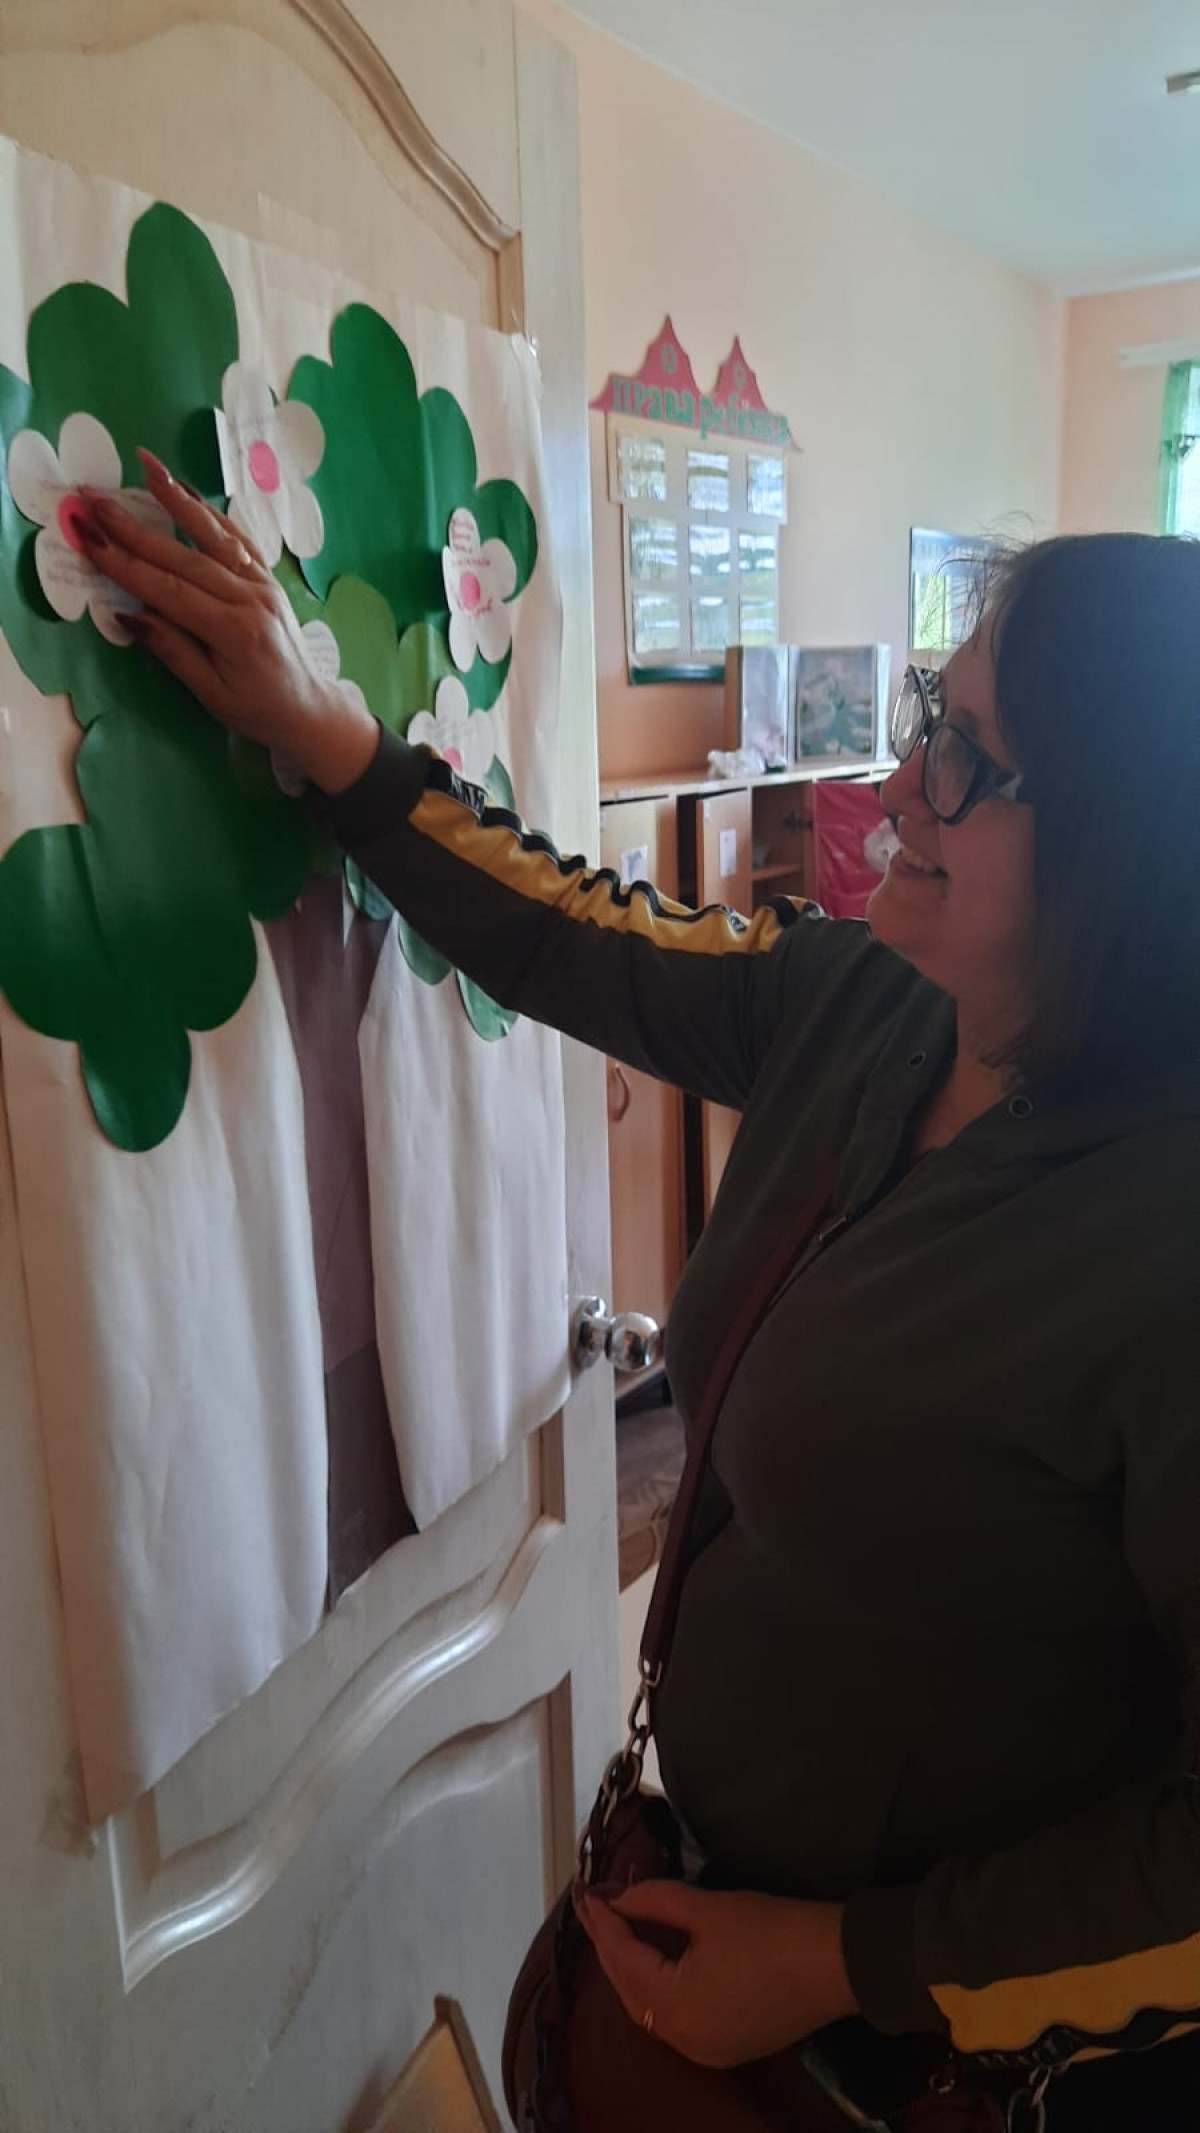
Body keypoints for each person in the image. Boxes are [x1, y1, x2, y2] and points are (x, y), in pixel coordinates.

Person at [78, 461, 1200, 2127]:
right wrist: (330, 737)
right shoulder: (867, 1006)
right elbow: (580, 932)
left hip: (956, 2063)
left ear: (1127, 843)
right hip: (730, 1921)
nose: (895, 783)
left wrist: (840, 1960)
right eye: (925, 713)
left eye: (966, 755)